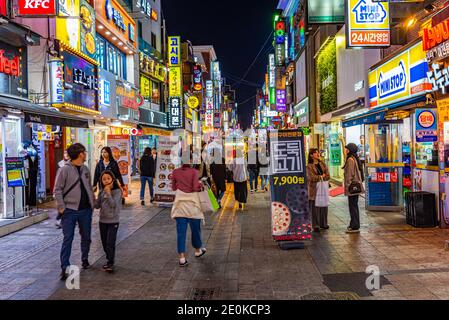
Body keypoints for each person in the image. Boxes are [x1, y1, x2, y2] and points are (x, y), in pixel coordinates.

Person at [53, 143, 95, 280]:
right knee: (68, 238)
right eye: (84, 152)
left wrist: (92, 203)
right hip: (69, 211)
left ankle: (85, 259)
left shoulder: (86, 169)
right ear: (80, 154)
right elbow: (57, 190)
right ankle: (65, 267)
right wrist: (61, 207)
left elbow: (88, 187)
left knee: (87, 237)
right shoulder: (64, 170)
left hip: (85, 210)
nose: (85, 154)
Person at [171, 160, 206, 267]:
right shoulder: (194, 172)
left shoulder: (175, 172)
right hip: (192, 204)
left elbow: (173, 187)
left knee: (181, 232)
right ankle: (197, 250)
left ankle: (182, 258)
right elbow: (195, 187)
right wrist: (201, 185)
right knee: (195, 229)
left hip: (180, 205)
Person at [94, 170, 122, 272]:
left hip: (113, 221)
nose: (106, 181)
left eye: (108, 178)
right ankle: (109, 259)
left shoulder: (118, 191)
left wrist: (109, 193)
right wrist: (93, 197)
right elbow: (97, 205)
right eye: (104, 179)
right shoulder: (101, 191)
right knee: (105, 243)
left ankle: (110, 262)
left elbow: (113, 205)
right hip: (102, 221)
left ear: (113, 180)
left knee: (110, 242)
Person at [306, 148, 330, 232]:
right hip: (314, 189)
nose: (318, 154)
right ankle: (315, 225)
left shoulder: (322, 164)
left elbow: (328, 175)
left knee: (323, 205)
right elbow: (311, 178)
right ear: (311, 155)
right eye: (315, 153)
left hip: (323, 188)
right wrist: (321, 176)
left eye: (318, 152)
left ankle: (324, 223)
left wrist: (322, 177)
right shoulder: (309, 166)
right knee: (314, 207)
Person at [343, 143, 365, 234]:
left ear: (350, 150)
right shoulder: (355, 158)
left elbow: (349, 175)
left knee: (352, 206)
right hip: (355, 186)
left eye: (347, 149)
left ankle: (354, 225)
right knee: (354, 206)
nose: (345, 150)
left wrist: (347, 186)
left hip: (352, 187)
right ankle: (354, 224)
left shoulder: (350, 160)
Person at [55, 150, 70, 229]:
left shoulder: (73, 164)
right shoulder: (60, 164)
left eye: (67, 153)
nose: (66, 155)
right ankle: (58, 219)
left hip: (70, 189)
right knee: (62, 205)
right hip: (62, 188)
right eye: (64, 153)